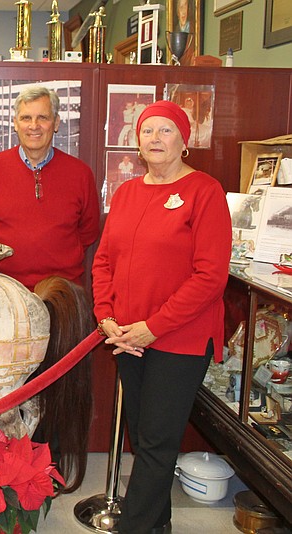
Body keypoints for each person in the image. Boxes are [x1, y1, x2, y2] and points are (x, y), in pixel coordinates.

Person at [93, 100, 231, 534]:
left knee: (155, 443)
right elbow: (104, 263)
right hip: (127, 336)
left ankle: (134, 527)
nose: (154, 138)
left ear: (184, 141)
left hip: (179, 339)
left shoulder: (205, 192)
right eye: (147, 130)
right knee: (145, 438)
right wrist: (106, 316)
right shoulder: (127, 193)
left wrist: (153, 327)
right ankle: (157, 527)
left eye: (165, 130)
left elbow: (211, 277)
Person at [0, 86, 99, 291]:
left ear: (55, 123)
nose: (34, 126)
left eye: (42, 118)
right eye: (26, 118)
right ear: (15, 124)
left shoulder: (80, 173)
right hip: (4, 289)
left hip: (62, 291)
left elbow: (88, 231)